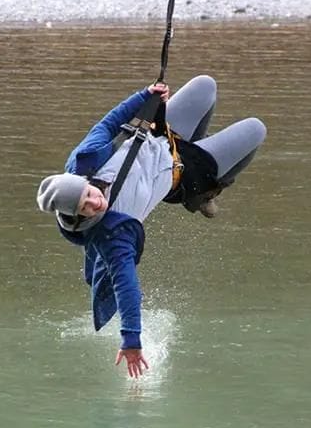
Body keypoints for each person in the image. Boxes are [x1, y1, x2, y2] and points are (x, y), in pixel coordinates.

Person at [36, 75, 266, 378]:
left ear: (84, 180)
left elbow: (107, 125)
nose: (96, 204)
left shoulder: (82, 162)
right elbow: (126, 285)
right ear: (76, 217)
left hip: (159, 136)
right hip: (183, 175)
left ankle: (198, 149)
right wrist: (132, 340)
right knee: (256, 129)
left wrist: (145, 97)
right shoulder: (111, 234)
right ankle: (204, 193)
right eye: (86, 209)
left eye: (90, 195)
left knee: (205, 86)